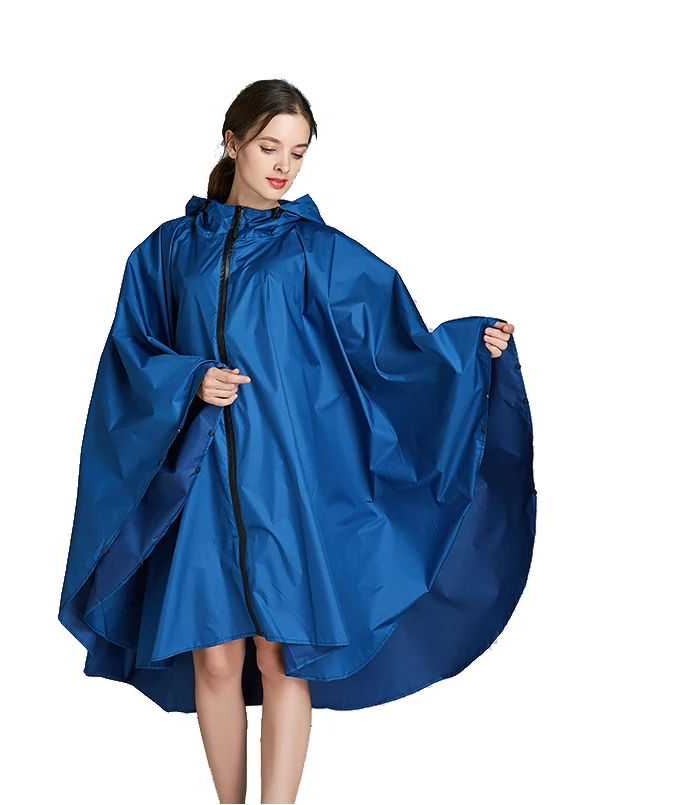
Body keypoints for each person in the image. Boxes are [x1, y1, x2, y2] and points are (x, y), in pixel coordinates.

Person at [58, 78, 536, 804]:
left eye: (298, 152)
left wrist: (471, 348)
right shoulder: (164, 253)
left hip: (286, 484)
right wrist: (190, 379)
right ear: (232, 143)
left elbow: (395, 346)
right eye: (269, 147)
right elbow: (129, 355)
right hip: (198, 483)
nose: (284, 166)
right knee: (214, 658)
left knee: (283, 655)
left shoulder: (317, 252)